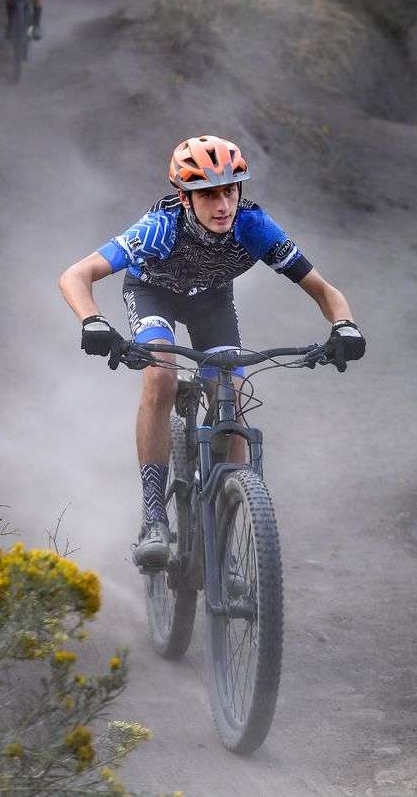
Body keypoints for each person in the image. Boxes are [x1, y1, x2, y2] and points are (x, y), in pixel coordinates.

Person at [58, 135, 366, 568]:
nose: (222, 204)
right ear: (185, 198)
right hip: (154, 294)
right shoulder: (160, 229)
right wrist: (92, 321)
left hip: (211, 303)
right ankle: (153, 518)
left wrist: (345, 326)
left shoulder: (253, 227)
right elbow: (76, 275)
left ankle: (229, 523)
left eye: (230, 190)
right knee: (161, 375)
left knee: (233, 394)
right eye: (208, 194)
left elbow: (323, 290)